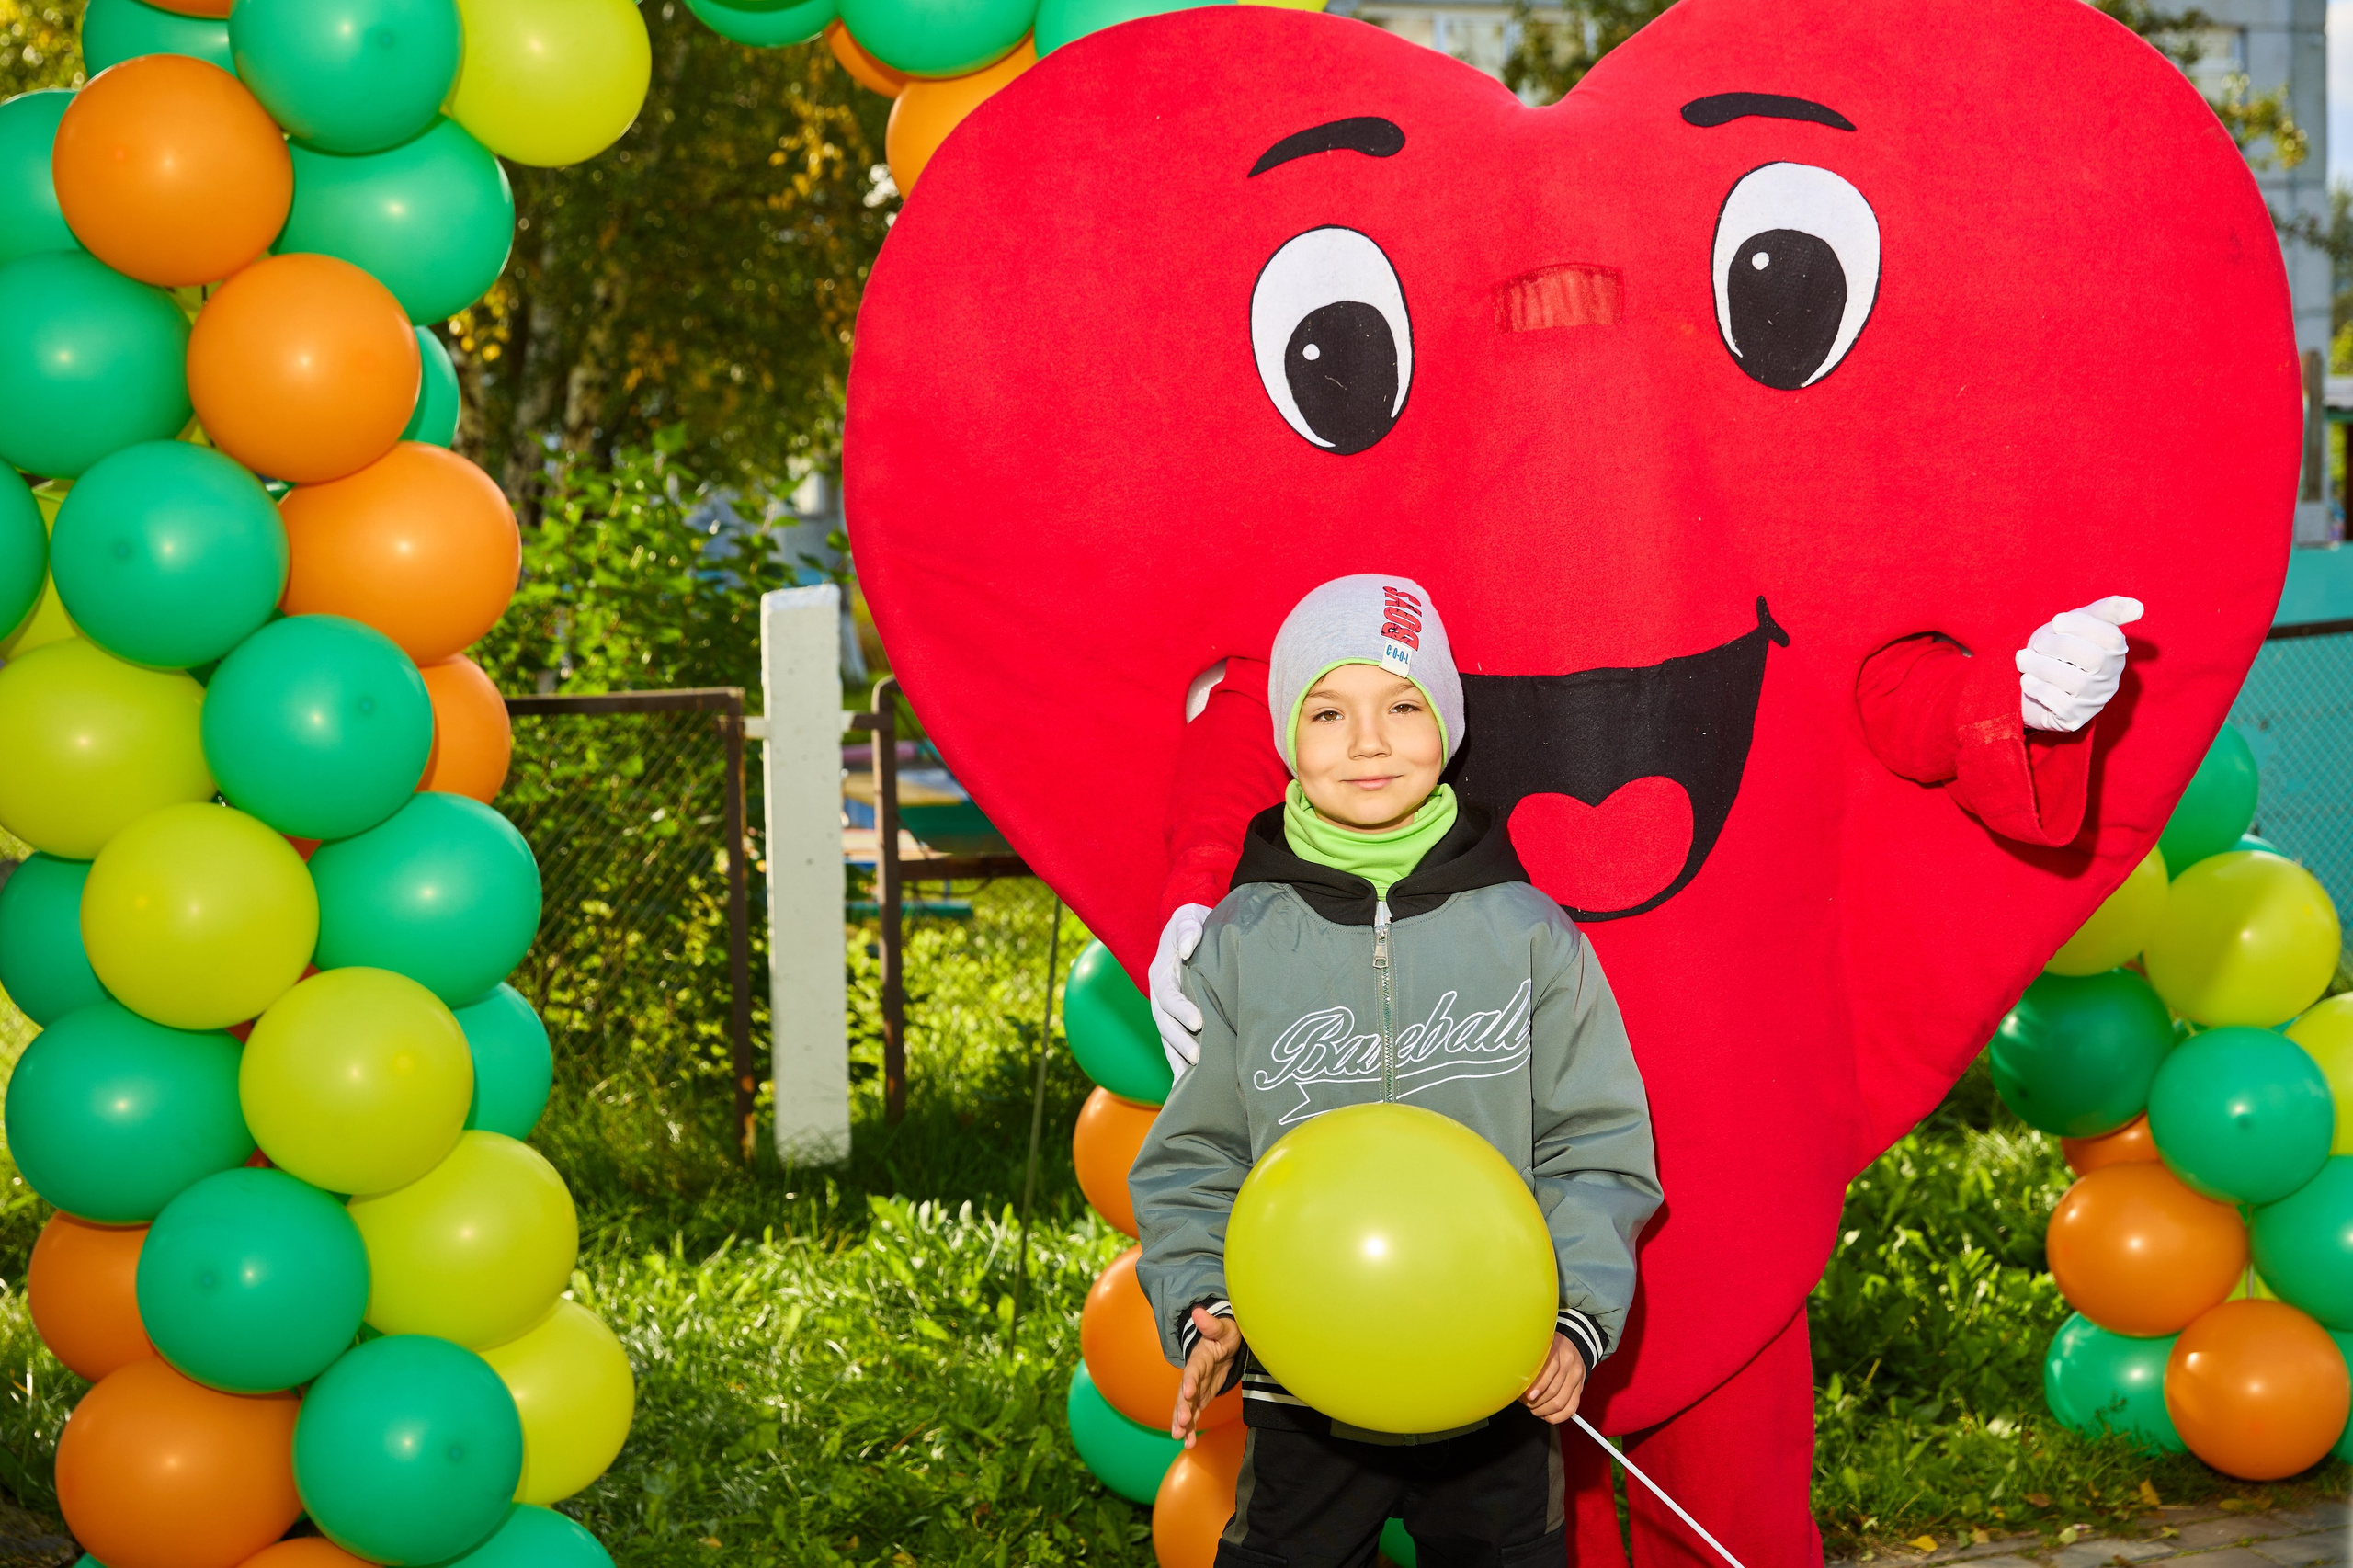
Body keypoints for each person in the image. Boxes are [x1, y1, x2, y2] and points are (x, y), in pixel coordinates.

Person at [1130, 574, 1664, 1567]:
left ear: (1449, 728)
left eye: (1402, 704)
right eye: (1327, 710)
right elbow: (1193, 1154)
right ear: (1288, 737)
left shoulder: (1530, 932)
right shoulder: (1239, 940)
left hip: (1497, 1379)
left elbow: (1597, 1145)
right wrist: (1207, 1296)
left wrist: (1574, 1319)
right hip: (1303, 1383)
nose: (1367, 740)